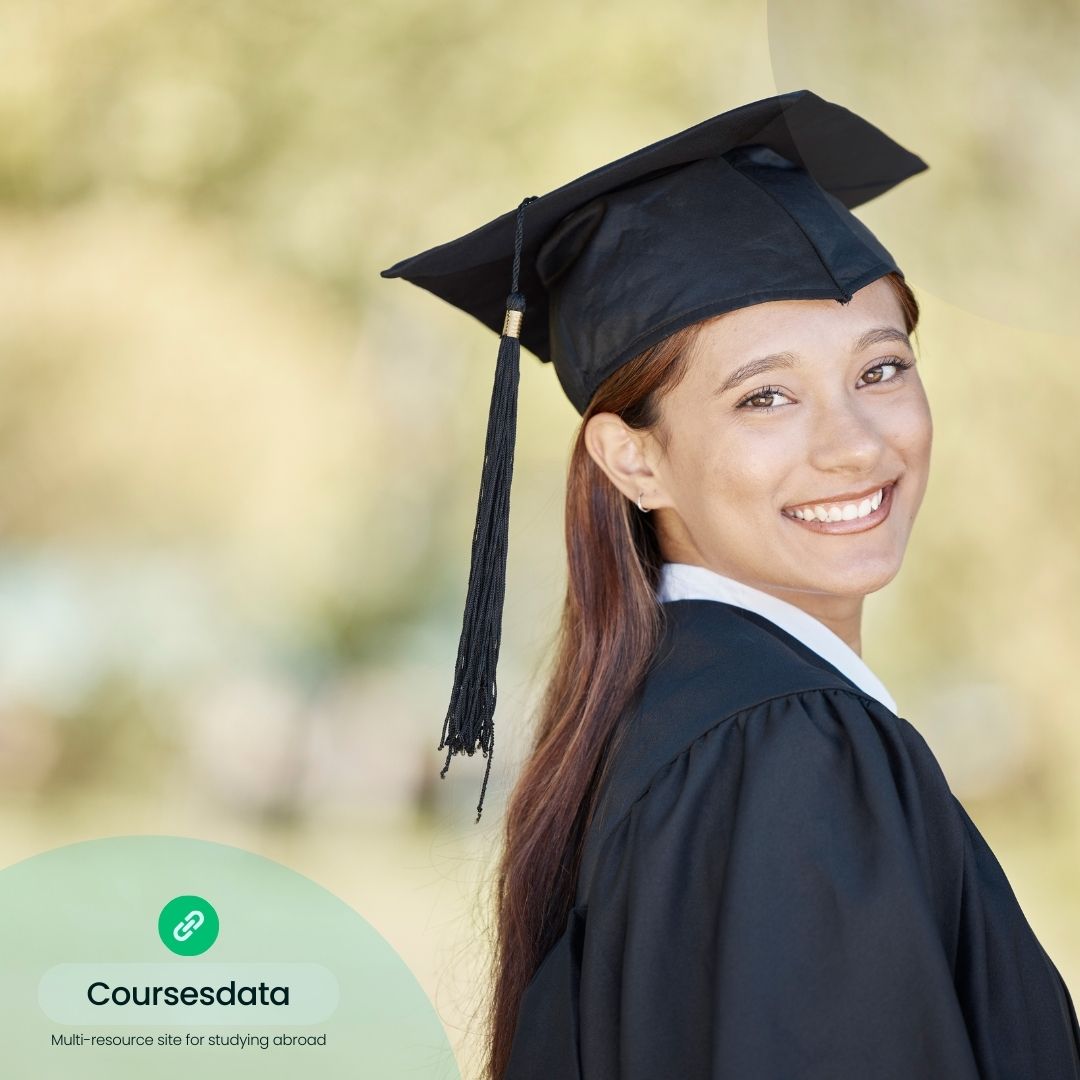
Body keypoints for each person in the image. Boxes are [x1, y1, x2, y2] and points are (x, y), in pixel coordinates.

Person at [382, 89, 1080, 1079]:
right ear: (636, 463)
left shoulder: (679, 719)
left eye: (881, 370)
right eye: (767, 395)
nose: (854, 445)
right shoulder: (788, 744)